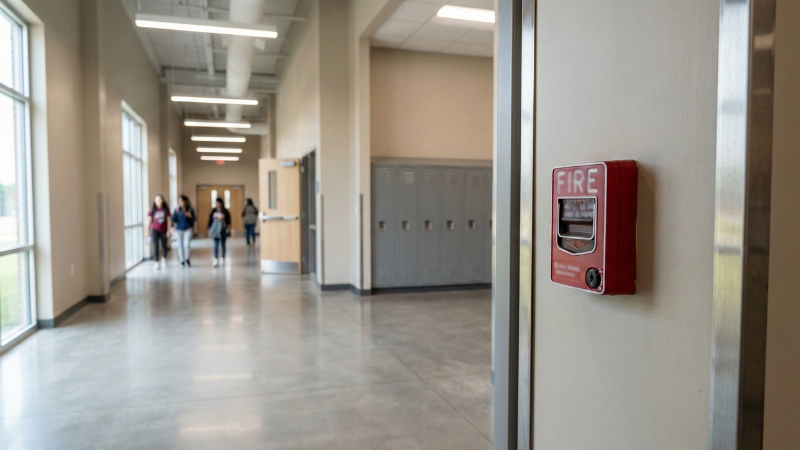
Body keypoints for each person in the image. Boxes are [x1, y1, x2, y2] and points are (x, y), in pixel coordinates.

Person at [146, 194, 171, 271]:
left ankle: (164, 258)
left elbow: (169, 221)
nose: (160, 201)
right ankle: (156, 262)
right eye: (158, 199)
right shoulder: (152, 210)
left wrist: (168, 230)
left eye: (161, 199)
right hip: (154, 230)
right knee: (155, 246)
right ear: (155, 201)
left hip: (163, 230)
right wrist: (147, 231)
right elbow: (149, 221)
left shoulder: (165, 210)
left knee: (164, 245)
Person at [173, 195, 195, 267]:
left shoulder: (190, 209)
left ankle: (187, 258)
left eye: (182, 201)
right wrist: (172, 227)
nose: (180, 203)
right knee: (180, 245)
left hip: (188, 228)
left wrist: (190, 216)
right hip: (179, 229)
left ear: (185, 201)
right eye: (179, 201)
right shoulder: (177, 209)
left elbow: (194, 219)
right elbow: (173, 219)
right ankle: (182, 260)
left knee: (187, 244)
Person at [208, 197, 231, 267]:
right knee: (215, 244)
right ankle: (215, 259)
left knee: (223, 244)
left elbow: (228, 220)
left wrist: (228, 227)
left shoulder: (225, 211)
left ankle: (222, 259)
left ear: (221, 203)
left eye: (218, 203)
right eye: (216, 203)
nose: (217, 204)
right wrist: (209, 228)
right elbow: (210, 220)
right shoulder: (213, 211)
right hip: (215, 230)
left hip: (223, 229)